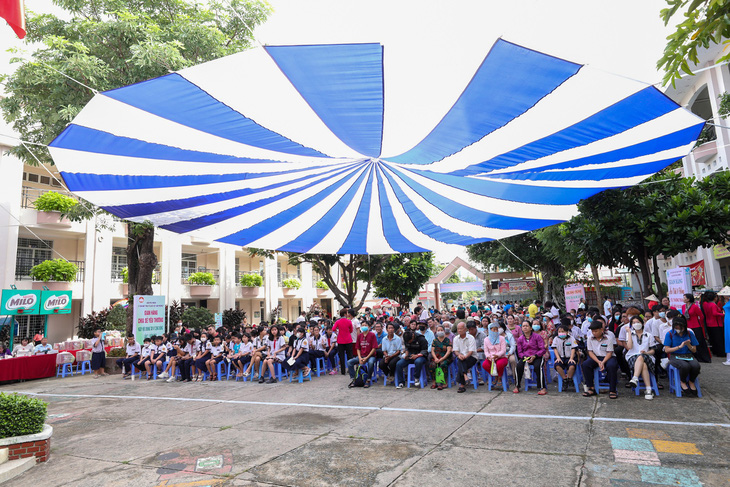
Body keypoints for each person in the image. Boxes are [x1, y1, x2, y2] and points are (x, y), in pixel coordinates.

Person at [663, 316, 701, 397]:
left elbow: (694, 350)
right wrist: (679, 347)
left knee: (696, 365)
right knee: (685, 366)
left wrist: (688, 345)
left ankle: (691, 381)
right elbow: (667, 350)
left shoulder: (689, 333)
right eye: (676, 327)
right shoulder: (669, 334)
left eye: (680, 327)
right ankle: (682, 381)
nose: (678, 329)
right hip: (675, 356)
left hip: (688, 355)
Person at [582, 319, 619, 399]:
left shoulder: (608, 338)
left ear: (601, 330)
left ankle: (612, 390)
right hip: (596, 357)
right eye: (593, 331)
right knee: (585, 365)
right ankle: (591, 388)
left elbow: (609, 353)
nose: (594, 333)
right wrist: (598, 361)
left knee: (612, 366)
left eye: (596, 331)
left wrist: (603, 362)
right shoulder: (590, 339)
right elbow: (590, 352)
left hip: (608, 357)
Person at [625, 317, 657, 400]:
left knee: (641, 357)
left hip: (647, 356)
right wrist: (629, 332)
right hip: (632, 356)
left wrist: (646, 352)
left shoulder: (648, 335)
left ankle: (635, 378)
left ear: (642, 323)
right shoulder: (630, 334)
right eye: (634, 322)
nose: (636, 324)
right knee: (643, 365)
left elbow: (653, 350)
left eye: (638, 322)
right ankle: (648, 389)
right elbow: (629, 347)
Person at [514, 320, 547, 395]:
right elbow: (519, 352)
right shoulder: (520, 339)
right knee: (518, 366)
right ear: (521, 328)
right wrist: (524, 357)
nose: (525, 327)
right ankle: (517, 386)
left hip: (537, 356)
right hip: (525, 357)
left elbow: (542, 349)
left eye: (527, 326)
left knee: (538, 366)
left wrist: (534, 356)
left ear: (531, 328)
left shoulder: (537, 337)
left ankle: (542, 387)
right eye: (523, 326)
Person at [682, 293, 711, 362]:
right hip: (688, 326)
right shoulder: (683, 306)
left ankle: (703, 357)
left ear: (688, 299)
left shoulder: (695, 307)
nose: (683, 299)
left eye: (684, 298)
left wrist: (699, 324)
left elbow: (701, 316)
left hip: (696, 326)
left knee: (698, 342)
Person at [348, 322, 377, 388]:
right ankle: (354, 379)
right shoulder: (359, 336)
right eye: (362, 325)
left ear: (369, 326)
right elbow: (358, 348)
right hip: (361, 356)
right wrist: (360, 358)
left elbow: (374, 348)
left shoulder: (372, 335)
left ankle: (368, 379)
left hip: (370, 356)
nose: (364, 326)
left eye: (365, 325)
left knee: (370, 363)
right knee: (349, 362)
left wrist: (366, 358)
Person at [452, 322, 477, 393]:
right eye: (458, 329)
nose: (459, 330)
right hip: (461, 357)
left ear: (465, 329)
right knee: (460, 360)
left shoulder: (471, 338)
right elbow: (456, 351)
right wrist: (459, 355)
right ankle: (465, 376)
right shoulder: (456, 338)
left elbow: (471, 351)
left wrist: (465, 356)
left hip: (471, 357)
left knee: (460, 362)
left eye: (461, 329)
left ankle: (462, 384)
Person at [700, 291, 725, 357]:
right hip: (716, 324)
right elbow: (714, 313)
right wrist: (722, 314)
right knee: (719, 339)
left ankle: (715, 351)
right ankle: (721, 353)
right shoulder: (713, 304)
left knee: (713, 339)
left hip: (709, 323)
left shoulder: (705, 304)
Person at [430, 325, 452, 390]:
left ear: (444, 331)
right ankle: (434, 382)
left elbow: (449, 351)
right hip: (437, 357)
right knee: (432, 365)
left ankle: (444, 382)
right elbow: (432, 351)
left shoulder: (447, 340)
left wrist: (442, 359)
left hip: (446, 357)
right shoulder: (435, 341)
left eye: (441, 330)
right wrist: (436, 358)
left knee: (443, 364)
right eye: (438, 330)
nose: (440, 332)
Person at [333, 309, 354, 375]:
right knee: (350, 356)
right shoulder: (349, 321)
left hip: (340, 340)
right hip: (348, 339)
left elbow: (333, 329)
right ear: (345, 314)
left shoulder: (338, 321)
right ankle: (351, 370)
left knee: (341, 356)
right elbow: (351, 330)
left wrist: (338, 332)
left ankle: (343, 371)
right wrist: (348, 332)